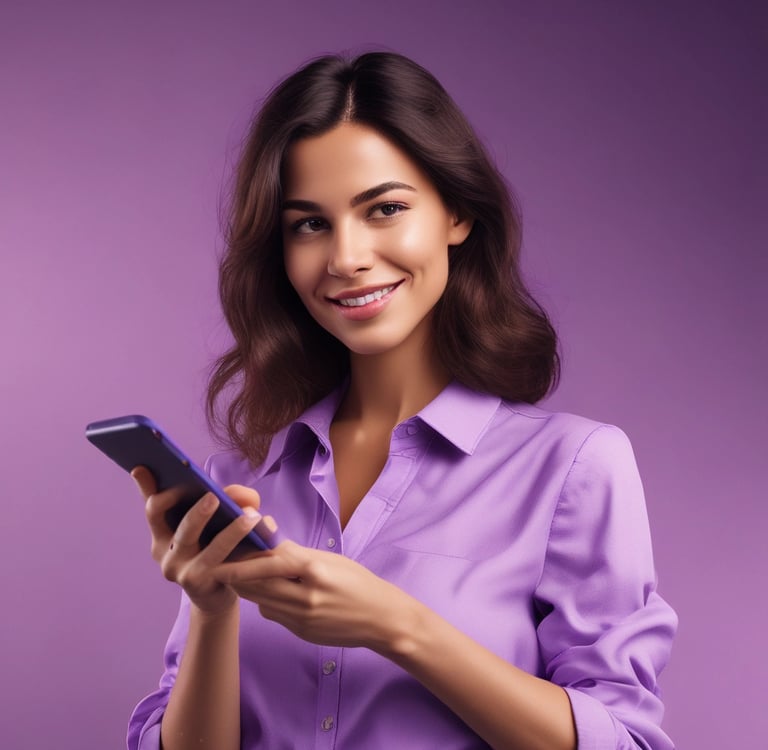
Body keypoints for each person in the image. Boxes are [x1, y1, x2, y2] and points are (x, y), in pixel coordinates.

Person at [127, 52, 676, 750]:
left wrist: (399, 626)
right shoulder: (250, 476)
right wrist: (210, 609)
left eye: (384, 209)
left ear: (457, 213)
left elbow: (624, 742)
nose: (346, 257)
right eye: (308, 224)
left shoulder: (574, 468)